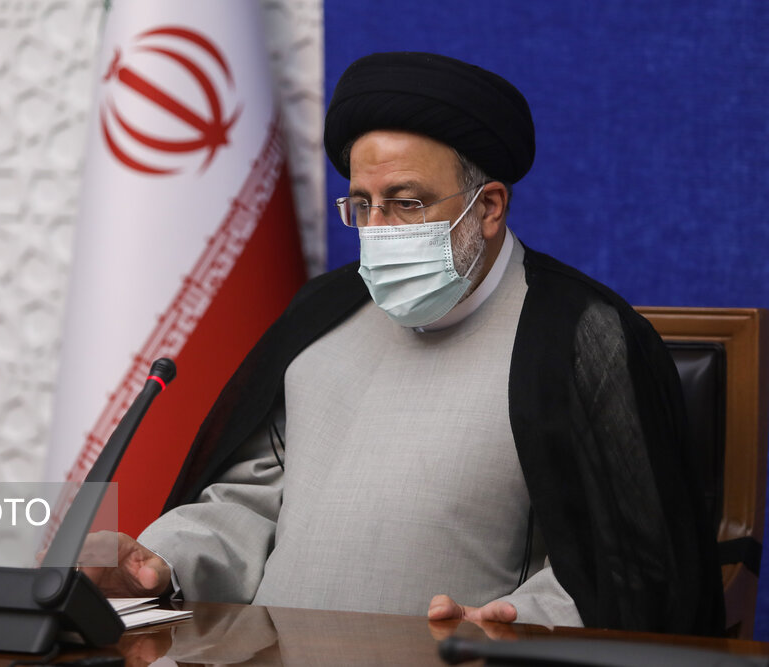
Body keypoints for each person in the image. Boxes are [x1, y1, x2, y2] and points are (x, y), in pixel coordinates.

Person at [80, 52, 724, 635]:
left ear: (489, 207)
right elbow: (251, 500)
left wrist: (517, 627)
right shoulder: (322, 313)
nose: (379, 229)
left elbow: (631, 565)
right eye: (362, 205)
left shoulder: (582, 338)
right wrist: (163, 559)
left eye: (406, 203)